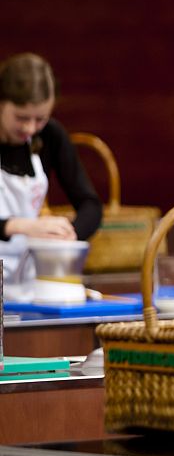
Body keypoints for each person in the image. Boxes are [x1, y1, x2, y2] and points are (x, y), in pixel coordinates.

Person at [0, 53, 102, 300]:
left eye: (40, 119)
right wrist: (21, 226)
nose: (30, 129)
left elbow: (91, 205)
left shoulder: (51, 137)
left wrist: (69, 233)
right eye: (21, 118)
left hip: (27, 287)